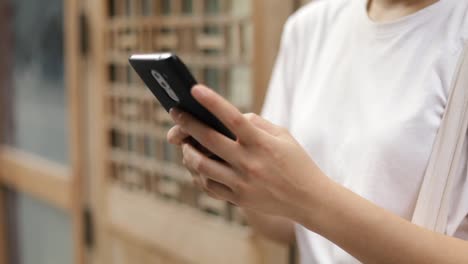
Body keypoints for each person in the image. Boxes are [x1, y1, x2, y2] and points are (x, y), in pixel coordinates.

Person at [167, 0, 468, 262]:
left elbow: (302, 202)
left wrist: (308, 199)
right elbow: (284, 226)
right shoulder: (310, 27)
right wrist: (238, 179)